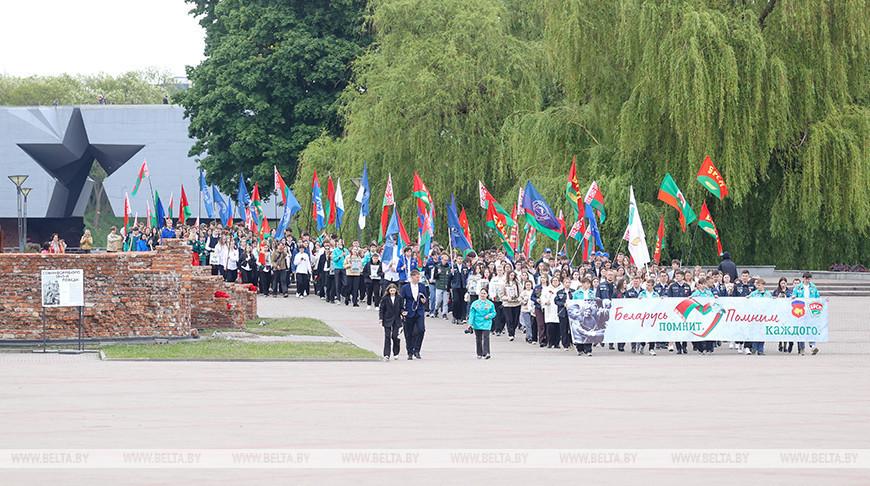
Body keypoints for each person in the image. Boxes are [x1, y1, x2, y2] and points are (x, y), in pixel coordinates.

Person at [792, 272, 823, 355]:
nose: (808, 280)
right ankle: (802, 348)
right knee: (801, 329)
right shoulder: (798, 287)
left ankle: (812, 346)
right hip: (800, 310)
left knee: (811, 327)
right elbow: (793, 295)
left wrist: (824, 301)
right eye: (806, 279)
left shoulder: (813, 287)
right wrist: (794, 297)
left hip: (810, 310)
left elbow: (817, 297)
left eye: (809, 279)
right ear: (803, 278)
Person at [400, 270, 428, 360]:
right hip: (409, 311)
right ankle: (410, 352)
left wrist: (424, 300)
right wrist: (402, 311)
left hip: (419, 311)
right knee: (409, 332)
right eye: (417, 277)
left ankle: (417, 349)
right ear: (412, 277)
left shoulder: (422, 286)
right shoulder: (405, 287)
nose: (418, 279)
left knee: (421, 330)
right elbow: (401, 300)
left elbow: (425, 297)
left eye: (419, 277)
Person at [667, 270, 692, 354]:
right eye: (676, 276)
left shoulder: (687, 286)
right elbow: (669, 298)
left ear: (682, 277)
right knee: (676, 328)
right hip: (676, 311)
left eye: (678, 276)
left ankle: (684, 346)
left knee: (685, 328)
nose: (677, 277)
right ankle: (678, 347)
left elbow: (689, 297)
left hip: (685, 310)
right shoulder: (672, 286)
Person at [468, 287, 496, 359]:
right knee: (478, 338)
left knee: (486, 337)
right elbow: (472, 314)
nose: (482, 295)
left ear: (487, 295)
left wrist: (489, 316)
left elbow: (494, 313)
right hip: (477, 323)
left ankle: (486, 352)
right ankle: (479, 353)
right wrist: (470, 323)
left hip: (487, 323)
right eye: (481, 293)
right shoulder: (475, 304)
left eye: (484, 293)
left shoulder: (490, 304)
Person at [747, 278, 772, 355]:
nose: (757, 286)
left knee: (762, 333)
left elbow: (771, 304)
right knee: (756, 332)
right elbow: (748, 301)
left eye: (759, 285)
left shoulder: (768, 294)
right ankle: (754, 348)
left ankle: (760, 350)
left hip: (764, 316)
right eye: (757, 285)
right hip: (756, 316)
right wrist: (748, 298)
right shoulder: (753, 294)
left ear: (763, 285)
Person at [378, 284, 403, 361]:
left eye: (394, 290)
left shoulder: (399, 298)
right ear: (388, 291)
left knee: (395, 336)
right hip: (387, 319)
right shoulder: (385, 298)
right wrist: (381, 318)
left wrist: (402, 313)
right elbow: (382, 309)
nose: (392, 292)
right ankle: (386, 354)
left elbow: (401, 307)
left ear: (396, 291)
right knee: (387, 336)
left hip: (396, 319)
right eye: (391, 290)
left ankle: (396, 352)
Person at [637, 278, 659, 355]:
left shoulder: (656, 295)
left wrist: (661, 299)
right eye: (646, 285)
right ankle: (642, 345)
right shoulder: (642, 293)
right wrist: (639, 300)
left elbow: (659, 304)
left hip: (653, 316)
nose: (647, 287)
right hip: (644, 316)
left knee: (652, 332)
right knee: (645, 332)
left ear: (653, 286)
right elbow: (637, 303)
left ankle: (651, 348)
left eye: (649, 285)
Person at [772, 277, 793, 353]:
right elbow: (772, 300)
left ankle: (786, 345)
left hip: (787, 312)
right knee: (780, 328)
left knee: (787, 328)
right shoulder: (776, 291)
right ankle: (780, 343)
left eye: (784, 283)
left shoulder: (790, 291)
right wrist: (778, 297)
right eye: (782, 283)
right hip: (779, 312)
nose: (783, 285)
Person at [499, 270, 522, 341]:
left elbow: (521, 293)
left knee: (515, 319)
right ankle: (510, 333)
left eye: (513, 275)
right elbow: (501, 294)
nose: (512, 277)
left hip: (516, 304)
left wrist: (518, 298)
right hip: (507, 304)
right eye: (511, 275)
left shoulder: (518, 284)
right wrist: (507, 298)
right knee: (509, 319)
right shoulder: (504, 284)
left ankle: (513, 331)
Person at [542, 276, 561, 349]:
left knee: (558, 327)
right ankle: (550, 342)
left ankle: (557, 343)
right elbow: (542, 297)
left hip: (558, 309)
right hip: (550, 309)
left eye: (557, 280)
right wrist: (545, 301)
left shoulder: (561, 289)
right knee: (550, 327)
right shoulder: (546, 289)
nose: (555, 282)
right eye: (554, 280)